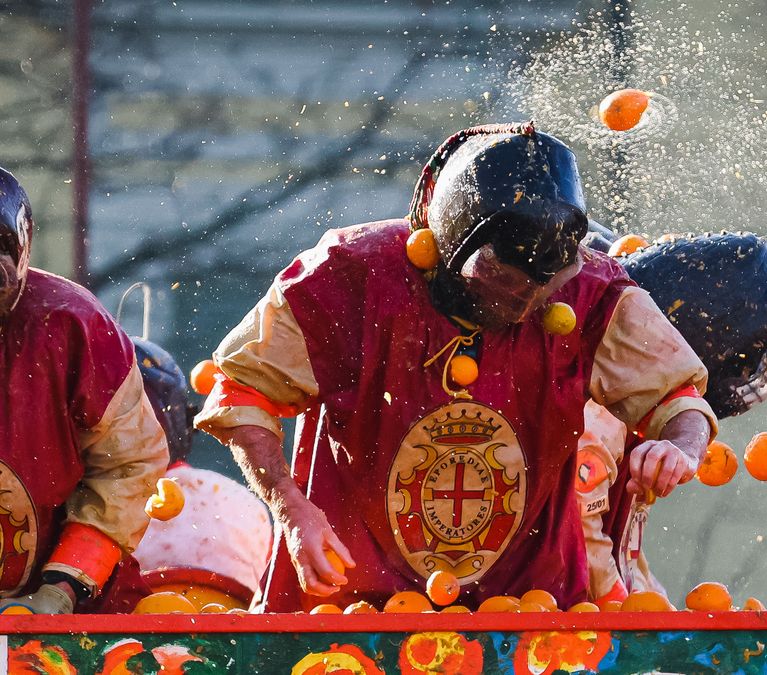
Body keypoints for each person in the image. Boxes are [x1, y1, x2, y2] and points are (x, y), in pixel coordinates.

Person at [194, 122, 718, 612]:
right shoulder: (349, 277)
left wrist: (681, 447)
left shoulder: (595, 297)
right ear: (449, 245)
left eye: (544, 290)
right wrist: (289, 507)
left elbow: (678, 401)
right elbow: (241, 390)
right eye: (504, 283)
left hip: (528, 616)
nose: (523, 304)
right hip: (348, 608)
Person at [576, 229, 767, 601]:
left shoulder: (636, 420)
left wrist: (659, 611)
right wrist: (632, 623)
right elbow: (580, 532)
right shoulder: (601, 414)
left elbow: (621, 553)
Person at [0, 167, 169, 614]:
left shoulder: (73, 325)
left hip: (74, 612)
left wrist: (61, 589)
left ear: (18, 255)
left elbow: (130, 465)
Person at [130, 339, 272, 611]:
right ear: (186, 420)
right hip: (238, 644)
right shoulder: (245, 502)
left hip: (124, 646)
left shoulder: (100, 509)